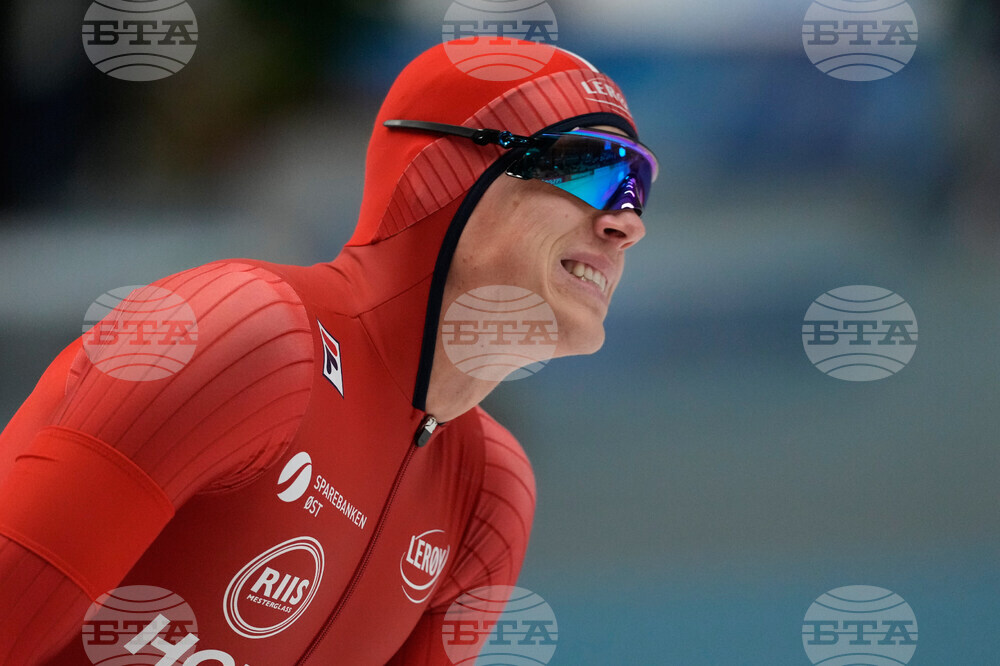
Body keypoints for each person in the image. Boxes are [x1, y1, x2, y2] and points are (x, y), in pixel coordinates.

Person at [0, 39, 655, 665]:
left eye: (637, 186)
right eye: (592, 168)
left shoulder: (487, 494)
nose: (627, 221)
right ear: (451, 174)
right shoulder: (242, 339)